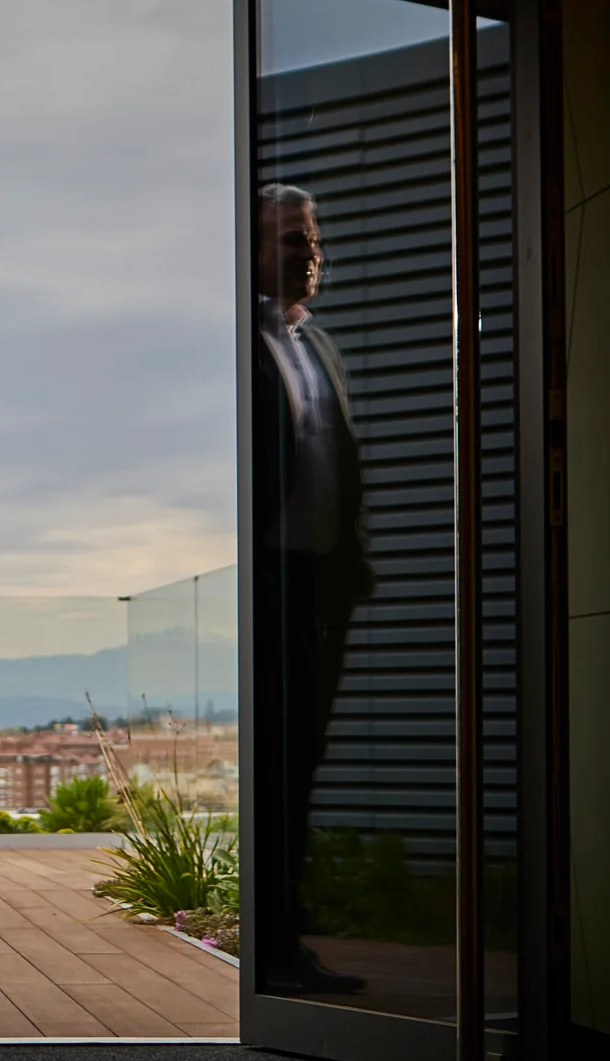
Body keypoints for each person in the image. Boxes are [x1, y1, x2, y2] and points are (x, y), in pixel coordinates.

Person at [251, 182, 373, 996]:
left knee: (303, 767)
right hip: (267, 585)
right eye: (294, 240)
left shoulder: (317, 345)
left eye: (314, 239)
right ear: (256, 249)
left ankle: (284, 943)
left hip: (322, 589)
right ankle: (269, 950)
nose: (310, 253)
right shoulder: (239, 342)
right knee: (273, 767)